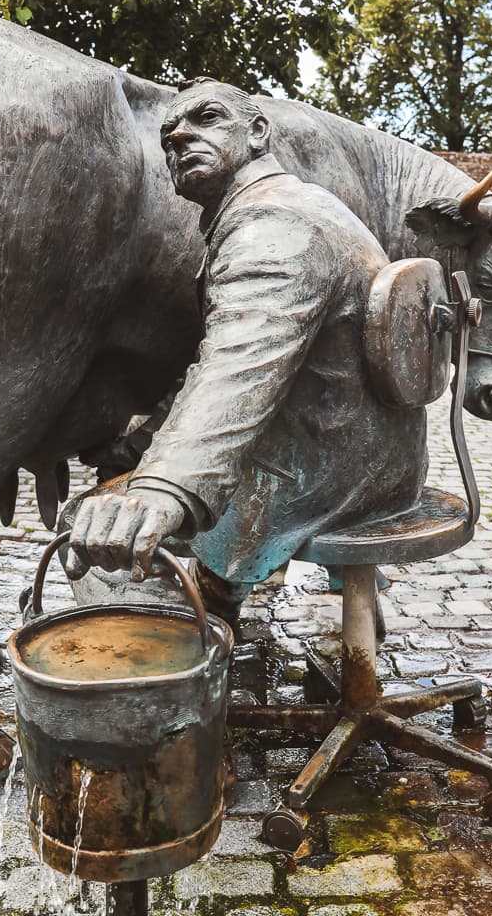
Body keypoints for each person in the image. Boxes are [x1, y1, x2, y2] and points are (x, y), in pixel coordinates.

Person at [65, 78, 427, 622]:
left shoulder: (272, 223)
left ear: (257, 132)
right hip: (369, 452)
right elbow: (227, 358)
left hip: (332, 471)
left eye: (207, 118)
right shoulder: (293, 202)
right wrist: (144, 442)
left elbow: (240, 369)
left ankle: (177, 647)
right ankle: (220, 594)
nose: (179, 137)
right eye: (168, 135)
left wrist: (164, 489)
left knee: (96, 530)